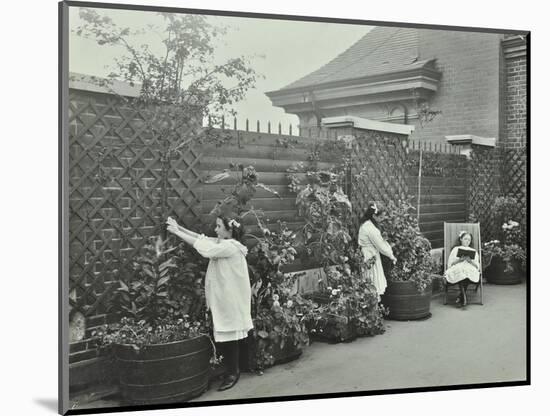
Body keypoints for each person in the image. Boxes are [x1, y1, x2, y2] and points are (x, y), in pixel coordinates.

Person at [166, 215, 253, 391]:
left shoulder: (230, 247)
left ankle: (233, 372)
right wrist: (179, 228)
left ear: (229, 230)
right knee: (228, 334)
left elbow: (204, 248)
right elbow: (200, 239)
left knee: (231, 335)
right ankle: (231, 369)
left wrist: (176, 231)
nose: (215, 229)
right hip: (225, 296)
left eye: (219, 226)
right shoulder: (224, 242)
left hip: (231, 298)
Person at [358, 202, 397, 299]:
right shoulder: (370, 228)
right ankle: (372, 308)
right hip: (370, 258)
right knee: (372, 284)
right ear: (374, 216)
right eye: (381, 217)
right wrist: (391, 255)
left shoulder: (367, 224)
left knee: (369, 285)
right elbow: (381, 246)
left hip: (368, 256)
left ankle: (372, 308)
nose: (382, 219)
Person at [444, 231, 480, 307]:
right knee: (461, 271)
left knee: (467, 272)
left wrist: (470, 261)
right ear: (461, 239)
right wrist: (459, 260)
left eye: (469, 240)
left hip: (469, 266)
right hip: (458, 266)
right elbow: (450, 264)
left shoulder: (473, 251)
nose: (467, 241)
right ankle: (463, 297)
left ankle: (461, 297)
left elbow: (477, 266)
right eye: (465, 239)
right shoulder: (455, 249)